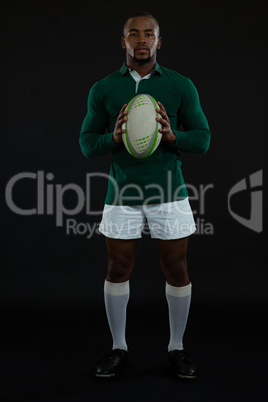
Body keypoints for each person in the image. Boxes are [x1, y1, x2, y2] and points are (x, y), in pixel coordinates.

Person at [79, 11, 211, 379]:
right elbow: (87, 144)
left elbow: (203, 138)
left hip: (169, 192)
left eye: (148, 34)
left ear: (159, 41)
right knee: (117, 269)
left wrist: (174, 137)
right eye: (133, 34)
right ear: (123, 41)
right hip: (121, 194)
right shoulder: (104, 88)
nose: (141, 39)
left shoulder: (180, 85)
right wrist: (113, 138)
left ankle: (177, 348)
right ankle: (118, 347)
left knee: (177, 268)